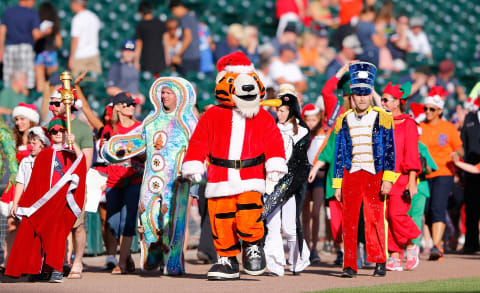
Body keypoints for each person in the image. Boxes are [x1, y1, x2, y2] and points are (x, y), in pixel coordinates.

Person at [182, 52, 287, 280]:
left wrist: (275, 164)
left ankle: (252, 245)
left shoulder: (262, 116)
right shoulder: (212, 115)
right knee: (222, 219)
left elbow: (273, 141)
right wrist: (194, 163)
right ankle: (227, 259)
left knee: (249, 215)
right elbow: (199, 141)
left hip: (251, 175)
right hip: (220, 176)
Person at [332, 61, 395, 278]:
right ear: (351, 96)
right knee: (348, 221)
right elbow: (339, 154)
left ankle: (379, 261)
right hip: (351, 175)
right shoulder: (343, 120)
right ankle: (349, 264)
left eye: (365, 93)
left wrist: (387, 178)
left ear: (370, 94)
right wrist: (338, 183)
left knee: (375, 219)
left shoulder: (383, 117)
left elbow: (389, 151)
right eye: (357, 94)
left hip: (374, 174)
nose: (361, 98)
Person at [5, 116, 86, 283]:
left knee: (57, 235)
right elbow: (34, 183)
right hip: (43, 203)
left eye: (61, 130)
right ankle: (39, 269)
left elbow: (81, 164)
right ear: (49, 134)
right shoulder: (44, 155)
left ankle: (56, 269)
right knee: (37, 236)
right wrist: (20, 202)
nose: (57, 133)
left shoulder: (70, 153)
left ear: (66, 132)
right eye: (54, 131)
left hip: (61, 202)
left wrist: (75, 143)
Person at [263, 84, 311, 276]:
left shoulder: (301, 131)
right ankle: (275, 264)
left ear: (291, 110)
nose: (279, 114)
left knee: (290, 227)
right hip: (271, 181)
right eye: (277, 110)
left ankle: (298, 260)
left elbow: (299, 163)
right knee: (272, 223)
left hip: (291, 183)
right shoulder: (271, 128)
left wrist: (290, 184)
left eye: (283, 110)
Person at [49, 88, 93, 278]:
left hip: (75, 185)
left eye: (56, 103)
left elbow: (86, 163)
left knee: (77, 226)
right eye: (50, 103)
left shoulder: (82, 128)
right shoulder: (49, 126)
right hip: (53, 185)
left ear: (67, 105)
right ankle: (60, 261)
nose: (52, 107)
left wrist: (72, 143)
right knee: (56, 226)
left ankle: (77, 261)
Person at [380, 82, 422, 271]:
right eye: (382, 99)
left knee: (396, 214)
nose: (382, 102)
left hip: (402, 176)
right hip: (383, 176)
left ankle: (412, 243)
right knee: (386, 216)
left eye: (386, 99)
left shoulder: (409, 123)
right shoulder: (381, 122)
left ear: (397, 102)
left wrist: (412, 180)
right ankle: (394, 255)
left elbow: (412, 153)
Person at [419, 86, 464, 261]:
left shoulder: (448, 127)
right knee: (428, 211)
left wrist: (457, 154)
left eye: (432, 109)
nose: (428, 112)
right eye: (426, 108)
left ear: (439, 111)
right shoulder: (420, 127)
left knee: (438, 207)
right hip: (424, 174)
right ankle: (438, 243)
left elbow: (458, 146)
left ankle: (436, 246)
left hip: (444, 171)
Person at [100, 92, 142, 274]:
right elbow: (103, 154)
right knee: (113, 223)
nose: (132, 106)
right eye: (127, 104)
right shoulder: (109, 130)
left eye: (133, 104)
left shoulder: (140, 128)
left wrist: (137, 152)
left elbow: (147, 155)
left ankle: (122, 263)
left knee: (128, 220)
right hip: (113, 180)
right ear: (117, 107)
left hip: (134, 177)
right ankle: (126, 257)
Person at [5, 127, 50, 267]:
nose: (31, 146)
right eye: (30, 142)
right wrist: (15, 203)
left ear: (42, 143)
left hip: (45, 202)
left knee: (45, 235)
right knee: (29, 234)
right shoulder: (25, 161)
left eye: (35, 142)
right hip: (29, 203)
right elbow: (20, 182)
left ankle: (46, 265)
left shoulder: (49, 159)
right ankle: (29, 265)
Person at [301, 103, 326, 264]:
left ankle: (314, 248)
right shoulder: (302, 134)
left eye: (314, 119)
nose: (311, 123)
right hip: (304, 176)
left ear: (319, 119)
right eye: (308, 120)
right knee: (305, 215)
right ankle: (307, 247)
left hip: (319, 176)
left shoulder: (324, 134)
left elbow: (326, 153)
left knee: (316, 213)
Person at [0, 0, 43, 89]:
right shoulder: (32, 13)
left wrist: (1, 49)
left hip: (9, 48)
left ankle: (8, 100)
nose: (33, 3)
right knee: (26, 79)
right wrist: (45, 33)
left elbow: (2, 32)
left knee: (9, 78)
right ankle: (23, 100)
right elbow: (36, 34)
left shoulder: (8, 11)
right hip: (25, 48)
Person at [459, 97, 480, 254]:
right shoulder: (470, 117)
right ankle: (471, 243)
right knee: (471, 208)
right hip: (471, 169)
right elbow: (464, 145)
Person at [34, 1, 62, 92]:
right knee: (54, 80)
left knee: (40, 81)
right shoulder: (54, 25)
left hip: (39, 53)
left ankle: (41, 100)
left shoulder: (37, 23)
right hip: (51, 53)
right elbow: (59, 43)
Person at [69, 0, 102, 77]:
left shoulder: (77, 18)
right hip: (94, 54)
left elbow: (75, 40)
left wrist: (71, 57)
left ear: (77, 4)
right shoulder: (94, 17)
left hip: (80, 55)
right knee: (93, 82)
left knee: (78, 83)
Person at [168, 0, 201, 75]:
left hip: (188, 57)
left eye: (173, 11)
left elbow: (188, 38)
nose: (174, 14)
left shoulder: (184, 18)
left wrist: (177, 54)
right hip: (196, 56)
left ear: (177, 8)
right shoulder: (191, 16)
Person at [135, 1, 166, 76]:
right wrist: (167, 57)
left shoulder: (141, 25)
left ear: (141, 13)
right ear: (151, 11)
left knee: (149, 83)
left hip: (147, 59)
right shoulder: (160, 23)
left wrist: (136, 61)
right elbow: (166, 40)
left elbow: (139, 44)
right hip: (161, 59)